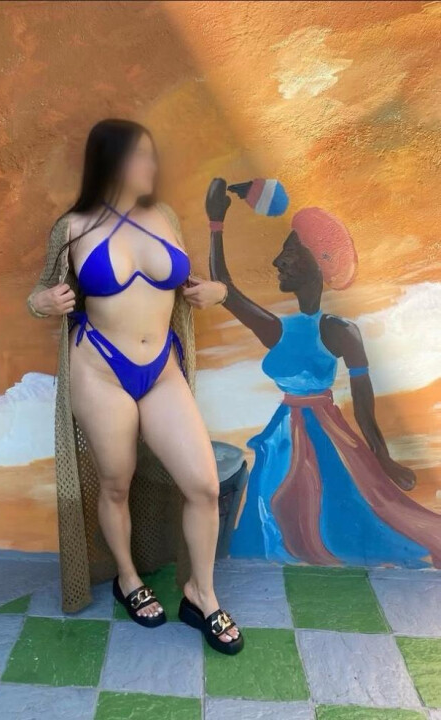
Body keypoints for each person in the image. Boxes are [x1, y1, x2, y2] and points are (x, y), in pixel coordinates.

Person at [27, 121, 242, 654]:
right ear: (113, 161)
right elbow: (40, 292)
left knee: (204, 486)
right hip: (100, 368)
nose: (152, 166)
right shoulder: (73, 227)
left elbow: (190, 283)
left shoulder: (164, 216)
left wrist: (215, 292)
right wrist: (41, 303)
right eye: (142, 156)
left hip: (161, 368)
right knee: (115, 484)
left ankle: (200, 595)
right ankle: (127, 578)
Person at [206, 177, 441, 568]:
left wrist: (383, 460)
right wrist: (216, 223)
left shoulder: (339, 332)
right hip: (282, 440)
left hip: (326, 440)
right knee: (273, 514)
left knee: (337, 515)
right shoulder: (278, 329)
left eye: (290, 251)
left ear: (318, 262)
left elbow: (363, 403)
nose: (278, 261)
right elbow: (224, 289)